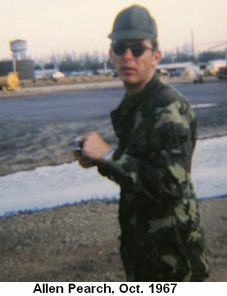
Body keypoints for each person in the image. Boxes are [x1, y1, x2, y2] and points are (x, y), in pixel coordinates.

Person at [75, 4, 209, 282]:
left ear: (156, 56)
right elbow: (140, 168)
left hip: (172, 256)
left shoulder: (166, 106)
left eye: (137, 49)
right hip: (146, 247)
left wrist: (110, 155)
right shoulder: (137, 102)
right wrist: (101, 160)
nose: (127, 57)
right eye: (119, 48)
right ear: (110, 55)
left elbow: (171, 184)